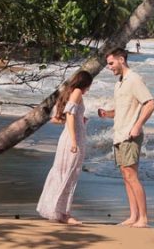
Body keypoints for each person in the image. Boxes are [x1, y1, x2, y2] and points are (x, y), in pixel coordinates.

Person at [98, 47, 154, 227]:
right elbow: (122, 110)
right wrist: (107, 113)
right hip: (119, 134)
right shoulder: (119, 83)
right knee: (126, 175)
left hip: (130, 135)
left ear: (121, 60)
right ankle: (133, 216)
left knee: (131, 175)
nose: (109, 67)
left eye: (111, 63)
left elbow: (150, 103)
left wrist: (137, 126)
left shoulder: (134, 79)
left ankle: (143, 218)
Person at [36, 71, 93, 225]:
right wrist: (74, 140)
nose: (89, 88)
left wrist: (80, 119)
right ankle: (64, 213)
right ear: (85, 83)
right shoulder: (77, 92)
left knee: (62, 173)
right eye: (89, 85)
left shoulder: (69, 92)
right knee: (69, 174)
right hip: (73, 138)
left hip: (69, 137)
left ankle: (57, 210)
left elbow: (56, 119)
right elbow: (69, 114)